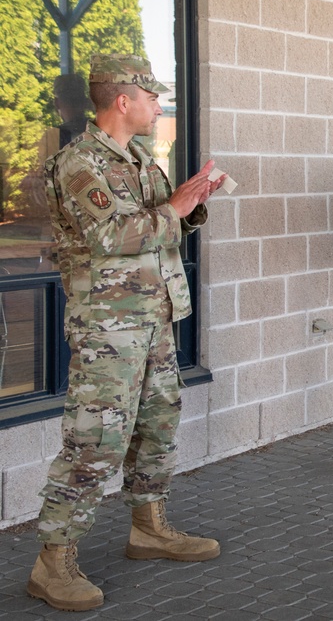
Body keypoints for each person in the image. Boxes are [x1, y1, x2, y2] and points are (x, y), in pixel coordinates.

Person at [28, 54, 227, 611]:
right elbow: (110, 237)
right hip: (107, 329)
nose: (159, 105)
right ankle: (52, 562)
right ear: (123, 100)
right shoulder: (78, 164)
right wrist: (175, 207)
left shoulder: (139, 156)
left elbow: (157, 226)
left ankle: (148, 529)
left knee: (157, 425)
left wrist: (189, 204)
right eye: (152, 97)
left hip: (154, 317)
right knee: (95, 441)